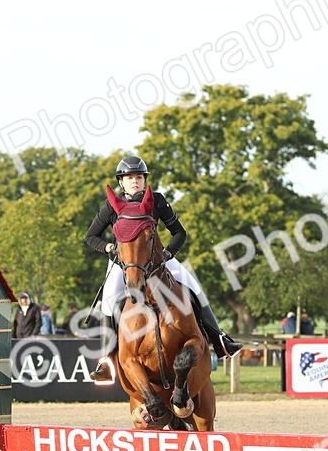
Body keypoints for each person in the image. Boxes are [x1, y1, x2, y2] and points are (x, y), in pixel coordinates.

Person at [85, 156, 241, 383]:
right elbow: (91, 236)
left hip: (158, 261)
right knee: (109, 298)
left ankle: (219, 339)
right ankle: (106, 360)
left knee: (194, 286)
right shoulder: (111, 206)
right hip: (124, 263)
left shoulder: (156, 200)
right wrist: (109, 247)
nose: (134, 181)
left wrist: (168, 253)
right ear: (121, 182)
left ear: (144, 180)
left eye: (138, 177)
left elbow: (180, 233)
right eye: (129, 178)